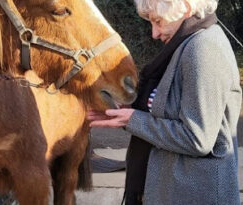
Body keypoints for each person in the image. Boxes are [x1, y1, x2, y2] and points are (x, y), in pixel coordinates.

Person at [88, 0, 242, 204]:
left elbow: (197, 138)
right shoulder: (187, 44)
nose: (154, 33)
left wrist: (133, 120)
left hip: (194, 195)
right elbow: (169, 111)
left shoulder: (203, 48)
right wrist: (125, 113)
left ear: (185, 7)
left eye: (158, 21)